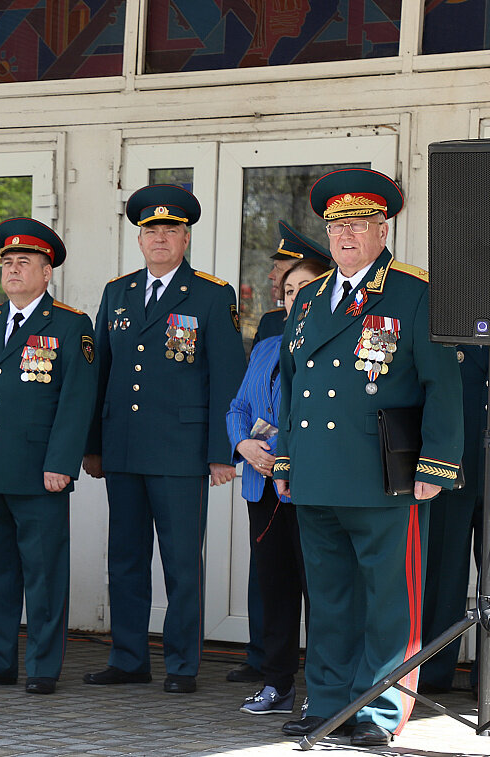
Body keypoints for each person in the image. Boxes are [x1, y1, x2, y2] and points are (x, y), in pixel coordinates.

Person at [274, 168, 462, 746]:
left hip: (385, 477)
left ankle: (379, 715)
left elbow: (441, 386)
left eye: (359, 224)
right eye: (336, 226)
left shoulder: (414, 291)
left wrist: (436, 463)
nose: (346, 235)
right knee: (329, 600)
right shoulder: (307, 298)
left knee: (389, 604)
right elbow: (290, 385)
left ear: (384, 230)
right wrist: (285, 462)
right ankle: (329, 702)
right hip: (317, 473)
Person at [83, 184, 245, 694]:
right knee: (126, 559)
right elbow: (100, 373)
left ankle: (182, 664)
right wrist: (93, 445)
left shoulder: (211, 294)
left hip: (182, 451)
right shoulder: (119, 293)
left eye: (169, 229)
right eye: (150, 229)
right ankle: (129, 658)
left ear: (186, 237)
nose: (159, 237)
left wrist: (223, 451)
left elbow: (227, 376)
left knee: (180, 564)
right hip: (125, 448)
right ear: (139, 238)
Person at [0, 218, 96, 695]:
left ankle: (44, 667)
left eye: (23, 263)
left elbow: (77, 401)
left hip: (39, 473)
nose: (12, 270)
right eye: (7, 263)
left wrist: (61, 464)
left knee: (44, 574)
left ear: (46, 273)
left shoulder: (71, 326)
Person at [227, 255, 329, 715]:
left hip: (309, 488)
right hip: (262, 489)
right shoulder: (267, 346)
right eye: (290, 292)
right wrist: (243, 446)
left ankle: (325, 693)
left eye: (306, 288)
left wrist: (284, 455)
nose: (296, 298)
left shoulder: (334, 347)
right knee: (275, 589)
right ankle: (277, 684)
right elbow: (238, 408)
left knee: (321, 593)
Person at [420, 344, 486, 694]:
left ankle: (487, 679)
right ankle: (432, 668)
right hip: (452, 468)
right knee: (443, 575)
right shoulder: (450, 313)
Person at [252, 221, 333, 344]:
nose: (270, 275)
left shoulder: (334, 324)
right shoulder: (270, 323)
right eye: (290, 290)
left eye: (278, 268)